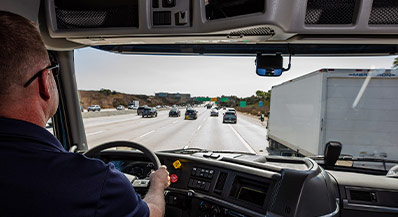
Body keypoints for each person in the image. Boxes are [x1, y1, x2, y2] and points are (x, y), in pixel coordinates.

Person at [0, 11, 170, 217]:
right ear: (45, 82)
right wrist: (157, 184)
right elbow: (153, 212)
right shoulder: (95, 183)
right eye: (54, 70)